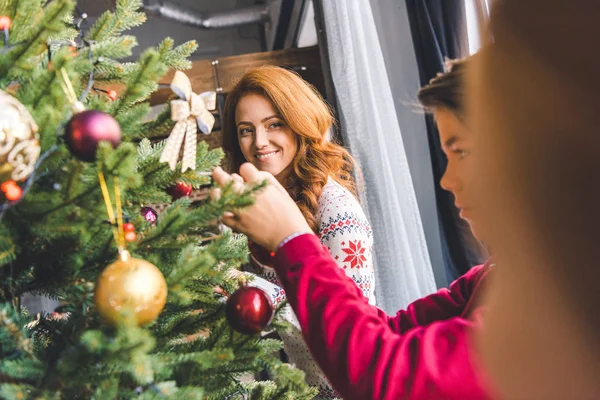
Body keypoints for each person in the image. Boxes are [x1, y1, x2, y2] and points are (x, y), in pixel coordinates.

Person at [212, 57, 497, 400]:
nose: (446, 180)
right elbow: (383, 329)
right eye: (246, 129)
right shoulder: (491, 280)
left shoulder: (540, 308)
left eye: (462, 152)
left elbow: (377, 371)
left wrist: (291, 242)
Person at [220, 66, 375, 398]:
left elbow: (351, 326)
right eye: (246, 130)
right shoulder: (256, 205)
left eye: (273, 124)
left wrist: (245, 286)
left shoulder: (336, 209)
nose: (259, 143)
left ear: (299, 123)